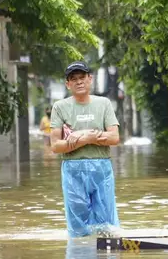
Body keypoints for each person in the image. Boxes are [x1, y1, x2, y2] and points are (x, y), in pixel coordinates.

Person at [50, 61, 121, 237]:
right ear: (68, 84)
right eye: (73, 79)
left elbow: (114, 138)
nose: (79, 82)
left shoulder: (104, 103)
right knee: (77, 223)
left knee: (106, 222)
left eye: (82, 77)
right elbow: (56, 146)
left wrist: (84, 135)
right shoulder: (60, 107)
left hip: (101, 169)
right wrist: (87, 139)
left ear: (90, 79)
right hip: (72, 169)